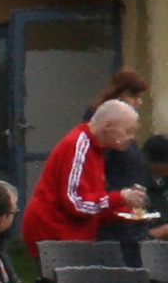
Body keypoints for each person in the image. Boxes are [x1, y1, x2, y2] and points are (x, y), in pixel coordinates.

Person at [29, 98, 145, 248]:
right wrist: (120, 197)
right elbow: (76, 204)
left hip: (73, 235)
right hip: (54, 234)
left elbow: (92, 204)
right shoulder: (79, 145)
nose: (131, 137)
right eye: (128, 131)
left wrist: (125, 211)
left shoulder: (97, 150)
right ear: (108, 126)